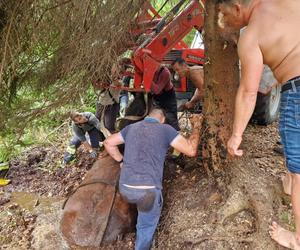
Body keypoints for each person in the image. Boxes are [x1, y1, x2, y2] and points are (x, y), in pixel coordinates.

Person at [218, 0, 300, 249]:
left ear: (237, 7)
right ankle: (288, 183)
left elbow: (248, 92)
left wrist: (236, 135)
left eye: (222, 13)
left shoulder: (250, 35)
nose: (222, 20)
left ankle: (298, 239)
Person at [104, 108, 202, 250]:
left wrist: (121, 161)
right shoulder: (165, 130)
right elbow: (191, 150)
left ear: (147, 117)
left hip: (125, 188)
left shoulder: (131, 128)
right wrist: (197, 126)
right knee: (146, 226)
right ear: (162, 119)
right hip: (147, 193)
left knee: (141, 207)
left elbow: (108, 142)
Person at [151, 65, 180, 131]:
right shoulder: (152, 71)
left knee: (171, 118)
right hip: (157, 97)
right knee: (157, 117)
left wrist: (147, 79)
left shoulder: (165, 73)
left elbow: (157, 90)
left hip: (168, 97)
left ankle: (174, 135)